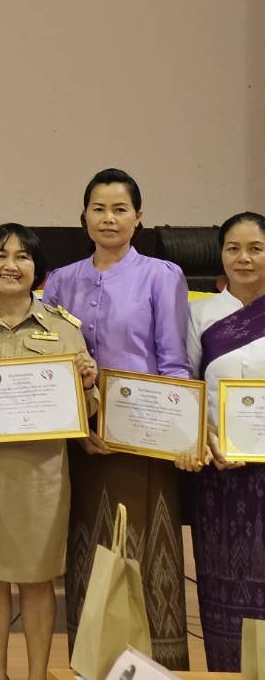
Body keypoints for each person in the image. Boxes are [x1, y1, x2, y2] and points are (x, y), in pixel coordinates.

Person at [42, 168, 192, 670]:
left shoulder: (161, 275)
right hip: (82, 445)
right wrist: (81, 430)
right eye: (99, 209)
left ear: (138, 217)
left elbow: (173, 363)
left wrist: (172, 434)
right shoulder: (61, 281)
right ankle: (93, 665)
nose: (109, 218)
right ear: (83, 216)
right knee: (89, 560)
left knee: (146, 560)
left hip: (145, 445)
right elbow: (49, 367)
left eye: (120, 209)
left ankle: (153, 669)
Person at [0, 223, 98, 680]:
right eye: (0, 255)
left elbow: (86, 411)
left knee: (37, 580)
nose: (10, 265)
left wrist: (90, 384)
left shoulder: (63, 328)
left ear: (38, 270)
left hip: (42, 475)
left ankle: (36, 675)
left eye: (22, 257)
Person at [185, 211, 265, 671]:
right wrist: (206, 434)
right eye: (233, 248)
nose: (243, 258)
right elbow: (186, 385)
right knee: (223, 583)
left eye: (255, 248)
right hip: (220, 475)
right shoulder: (199, 312)